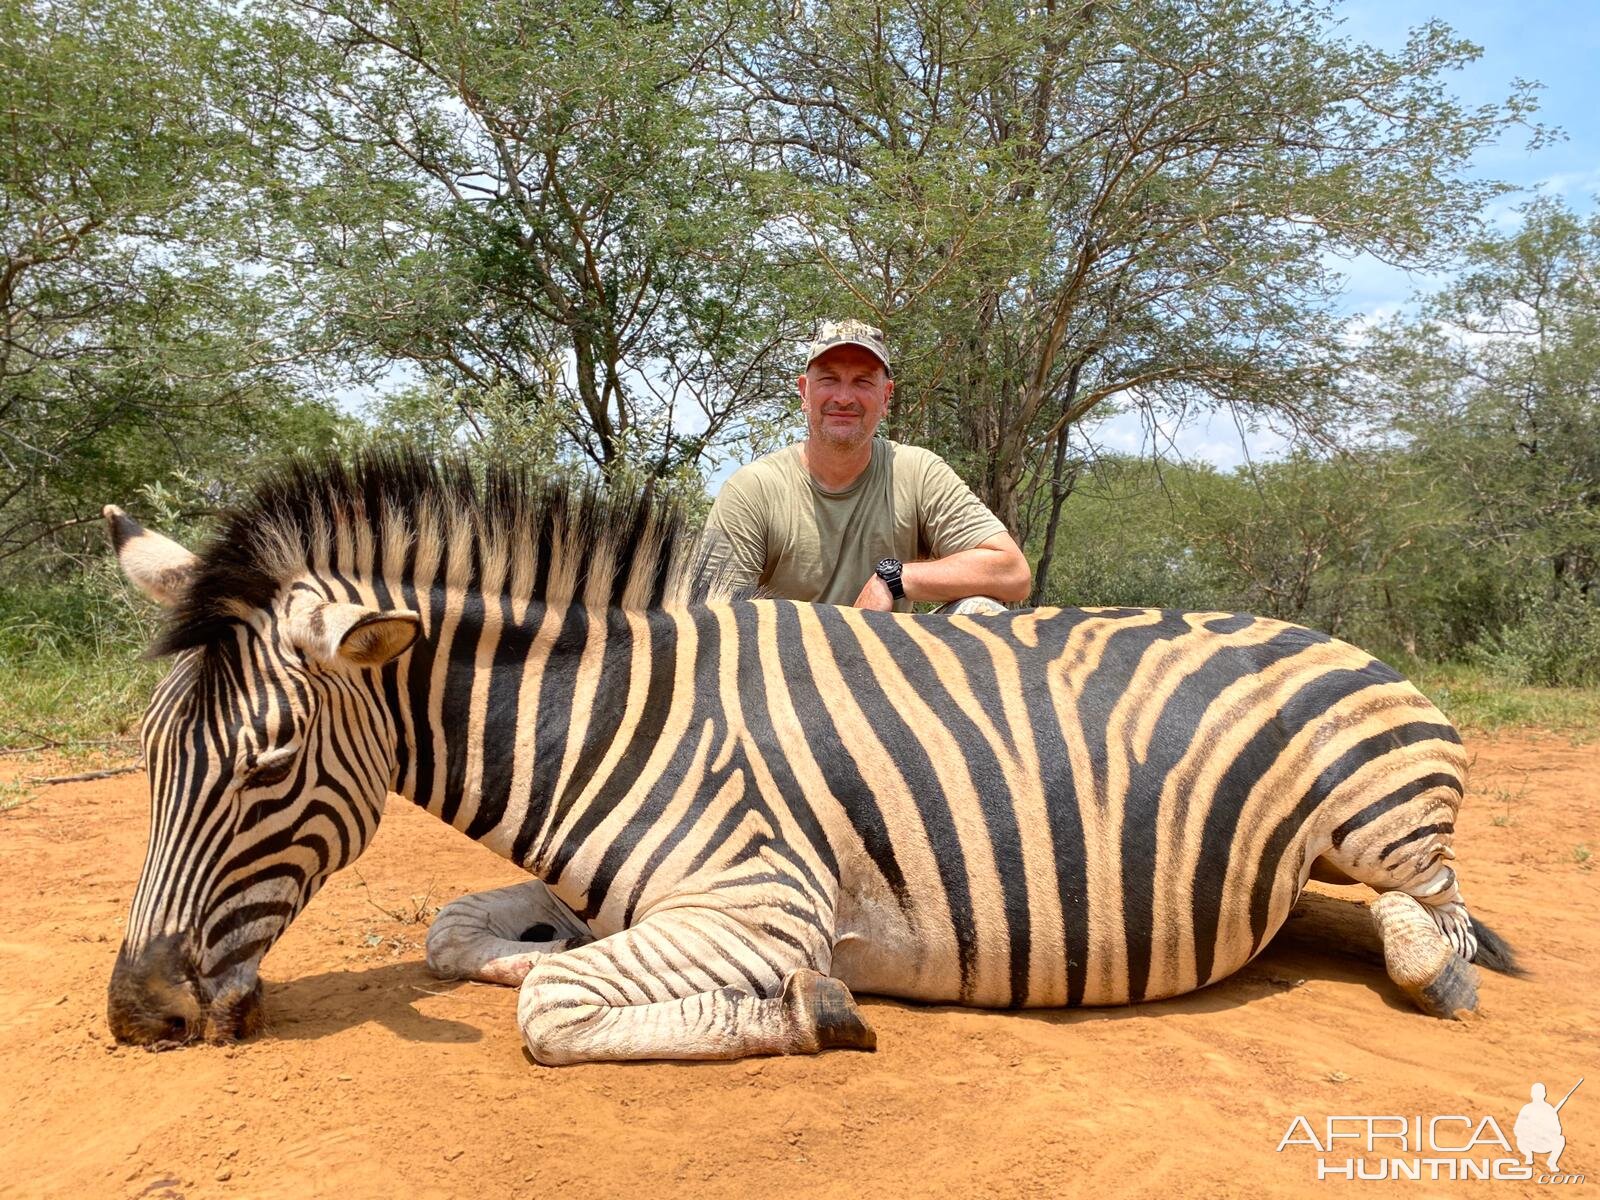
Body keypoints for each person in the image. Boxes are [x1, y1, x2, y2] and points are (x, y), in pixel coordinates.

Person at [703, 318, 1031, 613]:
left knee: (979, 610)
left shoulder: (916, 471)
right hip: (786, 674)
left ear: (886, 397)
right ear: (804, 392)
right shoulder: (752, 490)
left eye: (862, 382)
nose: (844, 398)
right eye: (829, 379)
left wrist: (892, 579)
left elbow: (1012, 572)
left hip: (888, 671)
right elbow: (714, 623)